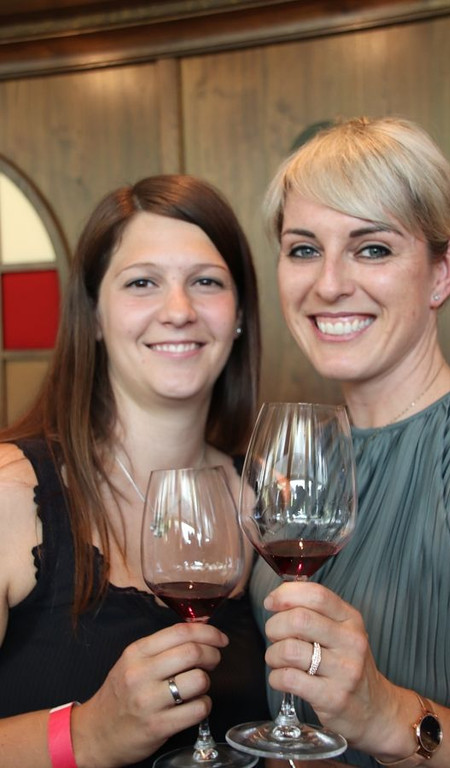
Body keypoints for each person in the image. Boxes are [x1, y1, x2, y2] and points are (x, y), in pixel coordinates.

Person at [250, 116, 450, 767]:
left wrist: (389, 715)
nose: (329, 283)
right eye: (304, 249)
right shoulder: (301, 451)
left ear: (442, 271)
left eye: (371, 249)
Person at [0, 174, 269, 768]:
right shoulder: (11, 493)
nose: (179, 311)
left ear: (240, 315)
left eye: (206, 282)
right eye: (142, 282)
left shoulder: (266, 503)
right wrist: (86, 735)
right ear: (94, 316)